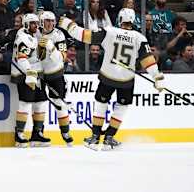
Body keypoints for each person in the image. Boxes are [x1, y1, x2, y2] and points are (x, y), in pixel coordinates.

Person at [59, 8, 165, 150]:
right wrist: (157, 76)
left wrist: (68, 25)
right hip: (126, 79)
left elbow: (84, 35)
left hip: (108, 76)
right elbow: (148, 60)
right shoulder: (139, 38)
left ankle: (95, 137)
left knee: (101, 104)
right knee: (121, 107)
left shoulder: (109, 31)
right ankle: (109, 138)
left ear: (120, 19)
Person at [11, 13, 50, 148]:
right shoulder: (23, 38)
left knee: (40, 102)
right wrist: (30, 74)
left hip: (35, 74)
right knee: (25, 103)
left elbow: (37, 57)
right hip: (24, 74)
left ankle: (37, 133)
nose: (36, 25)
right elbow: (21, 58)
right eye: (33, 23)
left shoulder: (34, 36)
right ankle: (19, 134)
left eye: (36, 23)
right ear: (27, 24)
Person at [38, 11, 73, 146]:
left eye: (52, 21)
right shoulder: (35, 33)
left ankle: (65, 132)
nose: (51, 23)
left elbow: (63, 57)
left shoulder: (58, 35)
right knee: (39, 104)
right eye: (47, 20)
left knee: (59, 104)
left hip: (55, 73)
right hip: (39, 73)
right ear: (41, 21)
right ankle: (39, 132)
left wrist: (51, 48)